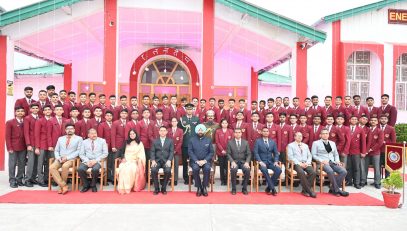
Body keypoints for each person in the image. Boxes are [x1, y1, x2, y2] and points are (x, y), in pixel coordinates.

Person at [311, 128, 349, 197]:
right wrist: (322, 160)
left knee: (344, 171)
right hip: (323, 163)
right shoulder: (316, 143)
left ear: (328, 135)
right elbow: (313, 155)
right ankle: (337, 190)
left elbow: (336, 154)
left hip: (332, 162)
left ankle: (333, 188)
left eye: (326, 133)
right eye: (323, 134)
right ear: (320, 135)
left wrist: (337, 161)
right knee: (330, 171)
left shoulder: (332, 143)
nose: (325, 135)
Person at [49, 124, 83, 194]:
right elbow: (56, 150)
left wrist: (67, 157)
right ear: (65, 130)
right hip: (60, 159)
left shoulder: (79, 138)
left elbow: (79, 151)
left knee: (65, 166)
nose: (69, 130)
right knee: (51, 167)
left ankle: (62, 187)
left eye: (71, 128)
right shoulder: (60, 138)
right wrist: (58, 158)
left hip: (71, 159)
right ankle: (63, 185)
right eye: (68, 129)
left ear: (74, 130)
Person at [77, 128, 108, 193]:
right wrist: (87, 161)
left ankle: (93, 185)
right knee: (80, 169)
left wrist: (95, 160)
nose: (94, 135)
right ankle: (86, 185)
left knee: (95, 169)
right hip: (87, 160)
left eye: (95, 133)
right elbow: (81, 154)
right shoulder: (84, 142)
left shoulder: (102, 141)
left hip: (98, 161)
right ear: (88, 135)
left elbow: (105, 153)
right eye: (92, 133)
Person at [287, 132, 317, 198]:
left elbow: (309, 156)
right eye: (298, 136)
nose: (300, 137)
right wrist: (299, 163)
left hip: (306, 163)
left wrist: (307, 163)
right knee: (301, 172)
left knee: (313, 172)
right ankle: (309, 190)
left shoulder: (305, 145)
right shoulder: (290, 145)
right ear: (294, 137)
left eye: (301, 136)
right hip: (296, 163)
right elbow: (290, 157)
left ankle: (305, 190)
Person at [116, 129, 146, 194]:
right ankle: (122, 188)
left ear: (136, 134)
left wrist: (139, 160)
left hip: (134, 161)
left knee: (130, 169)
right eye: (130, 134)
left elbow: (141, 154)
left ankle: (128, 187)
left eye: (133, 134)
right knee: (122, 168)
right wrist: (123, 158)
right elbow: (122, 152)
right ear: (129, 135)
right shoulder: (126, 142)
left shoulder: (140, 143)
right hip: (126, 160)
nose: (132, 135)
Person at [253, 127, 282, 196]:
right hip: (262, 162)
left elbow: (276, 153)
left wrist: (275, 161)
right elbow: (256, 152)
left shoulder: (272, 142)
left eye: (267, 131)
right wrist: (260, 161)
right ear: (261, 132)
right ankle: (273, 189)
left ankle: (268, 188)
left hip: (271, 162)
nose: (266, 132)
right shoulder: (258, 141)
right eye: (264, 131)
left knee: (279, 170)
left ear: (269, 133)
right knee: (264, 170)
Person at [188, 124, 214, 197]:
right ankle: (199, 187)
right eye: (199, 130)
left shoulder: (208, 140)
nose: (200, 131)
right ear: (196, 131)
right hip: (195, 161)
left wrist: (205, 160)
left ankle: (204, 186)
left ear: (204, 131)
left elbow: (211, 152)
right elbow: (190, 152)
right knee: (195, 169)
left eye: (201, 130)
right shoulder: (192, 140)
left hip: (206, 161)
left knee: (207, 168)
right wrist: (196, 161)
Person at [6, 106, 27, 188]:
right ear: (15, 112)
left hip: (23, 147)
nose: (20, 113)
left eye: (22, 111)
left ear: (24, 113)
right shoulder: (10, 122)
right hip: (13, 147)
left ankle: (19, 179)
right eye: (18, 111)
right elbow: (7, 136)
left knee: (22, 164)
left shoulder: (25, 122)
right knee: (12, 164)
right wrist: (9, 148)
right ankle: (12, 180)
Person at [179, 103, 200, 184]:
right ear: (186, 110)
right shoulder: (182, 119)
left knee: (194, 162)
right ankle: (186, 178)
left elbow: (199, 132)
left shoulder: (196, 119)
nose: (189, 110)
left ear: (193, 110)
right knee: (185, 162)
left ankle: (193, 177)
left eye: (191, 109)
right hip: (185, 144)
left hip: (194, 145)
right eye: (188, 109)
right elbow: (180, 131)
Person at [226, 128, 251, 195]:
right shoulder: (230, 142)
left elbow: (249, 154)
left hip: (243, 162)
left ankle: (244, 188)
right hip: (235, 161)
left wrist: (247, 162)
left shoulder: (245, 142)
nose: (237, 134)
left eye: (239, 132)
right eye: (236, 132)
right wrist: (232, 162)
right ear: (234, 134)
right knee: (233, 170)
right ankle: (234, 188)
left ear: (241, 133)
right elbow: (228, 154)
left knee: (247, 170)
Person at [150, 126, 174, 195]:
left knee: (168, 171)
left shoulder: (170, 141)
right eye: (161, 130)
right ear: (159, 132)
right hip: (157, 161)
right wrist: (153, 160)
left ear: (166, 132)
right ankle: (156, 188)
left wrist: (169, 160)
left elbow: (171, 152)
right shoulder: (155, 141)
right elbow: (152, 152)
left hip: (166, 161)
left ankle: (163, 188)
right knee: (153, 170)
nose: (163, 132)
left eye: (164, 130)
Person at [363, 117, 384, 189]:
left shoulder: (379, 131)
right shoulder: (366, 130)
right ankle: (363, 181)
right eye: (371, 120)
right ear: (369, 121)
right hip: (366, 152)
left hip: (375, 152)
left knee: (376, 167)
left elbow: (380, 142)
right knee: (364, 167)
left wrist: (371, 149)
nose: (373, 121)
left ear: (377, 122)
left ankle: (377, 182)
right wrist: (365, 150)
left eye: (375, 120)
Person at [215, 119, 234, 185]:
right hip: (220, 152)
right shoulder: (218, 131)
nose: (224, 124)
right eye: (223, 123)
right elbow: (217, 142)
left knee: (227, 166)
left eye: (226, 123)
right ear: (221, 124)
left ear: (227, 124)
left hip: (229, 152)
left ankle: (227, 179)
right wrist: (222, 150)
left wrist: (227, 151)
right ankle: (222, 180)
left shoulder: (231, 131)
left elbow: (232, 142)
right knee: (221, 166)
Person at [167, 117, 183, 185]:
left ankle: (175, 179)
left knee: (176, 165)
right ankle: (169, 178)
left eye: (175, 121)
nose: (174, 122)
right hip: (168, 151)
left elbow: (180, 142)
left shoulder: (180, 130)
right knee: (169, 165)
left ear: (177, 122)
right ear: (171, 122)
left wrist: (175, 150)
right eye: (172, 121)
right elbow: (167, 141)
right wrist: (170, 150)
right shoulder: (168, 130)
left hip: (177, 151)